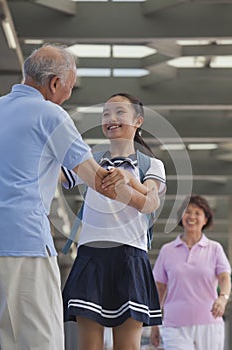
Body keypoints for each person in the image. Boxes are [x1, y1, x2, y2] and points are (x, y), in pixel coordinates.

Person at [0, 45, 128, 350]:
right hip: (24, 243)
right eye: (69, 87)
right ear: (55, 84)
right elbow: (98, 180)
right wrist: (126, 180)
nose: (68, 95)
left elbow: (30, 164)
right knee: (41, 338)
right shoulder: (50, 113)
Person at [62, 92, 167, 350]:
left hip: (130, 258)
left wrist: (130, 182)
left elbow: (151, 203)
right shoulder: (87, 160)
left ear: (138, 120)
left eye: (120, 112)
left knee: (127, 347)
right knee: (89, 347)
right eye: (106, 113)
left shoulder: (151, 164)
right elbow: (57, 174)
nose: (111, 118)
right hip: (91, 256)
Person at [151, 195, 231, 350]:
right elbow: (160, 288)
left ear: (205, 219)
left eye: (197, 213)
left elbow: (224, 277)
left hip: (209, 321)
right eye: (187, 212)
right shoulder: (167, 250)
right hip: (174, 324)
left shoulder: (215, 248)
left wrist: (223, 298)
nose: (191, 216)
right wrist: (154, 323)